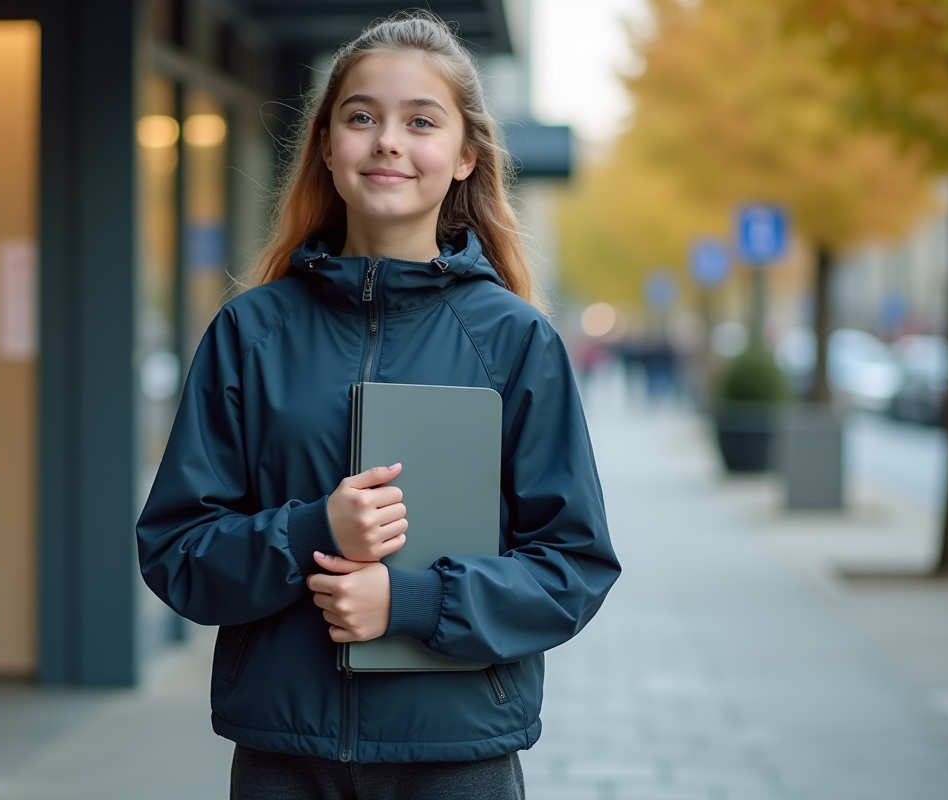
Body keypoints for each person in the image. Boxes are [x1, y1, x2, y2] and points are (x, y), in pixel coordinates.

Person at [136, 11, 620, 800]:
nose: (388, 140)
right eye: (361, 117)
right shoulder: (251, 332)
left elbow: (574, 566)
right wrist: (311, 530)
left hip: (456, 759)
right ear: (327, 146)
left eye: (420, 121)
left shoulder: (515, 341)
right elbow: (177, 553)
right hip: (283, 761)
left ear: (465, 155)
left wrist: (412, 601)